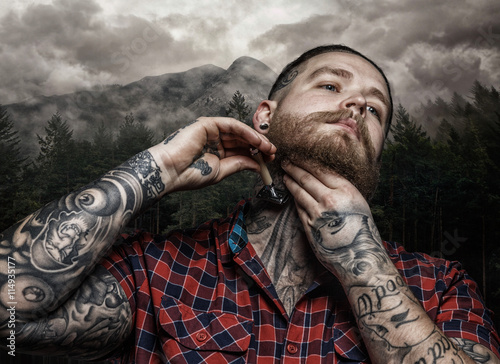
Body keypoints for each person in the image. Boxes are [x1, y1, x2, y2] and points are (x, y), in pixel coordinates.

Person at [0, 44, 499, 363]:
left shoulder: (439, 285)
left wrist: (359, 259)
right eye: (331, 85)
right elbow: (11, 319)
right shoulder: (157, 269)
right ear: (265, 116)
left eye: (376, 110)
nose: (357, 105)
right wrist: (156, 171)